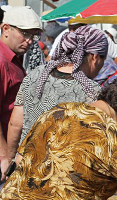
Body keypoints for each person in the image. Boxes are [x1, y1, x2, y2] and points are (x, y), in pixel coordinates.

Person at [6, 26, 108, 168]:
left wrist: (10, 159)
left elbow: (15, 124)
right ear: (95, 57)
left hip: (25, 166)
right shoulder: (91, 91)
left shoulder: (35, 75)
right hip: (60, 177)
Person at [0, 6, 42, 182]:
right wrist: (4, 157)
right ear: (6, 29)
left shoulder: (15, 61)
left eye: (32, 36)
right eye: (24, 34)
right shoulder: (2, 62)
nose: (29, 40)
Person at [49, 23, 117, 69]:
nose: (71, 31)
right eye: (70, 28)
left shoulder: (98, 35)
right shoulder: (63, 37)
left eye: (75, 28)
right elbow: (51, 58)